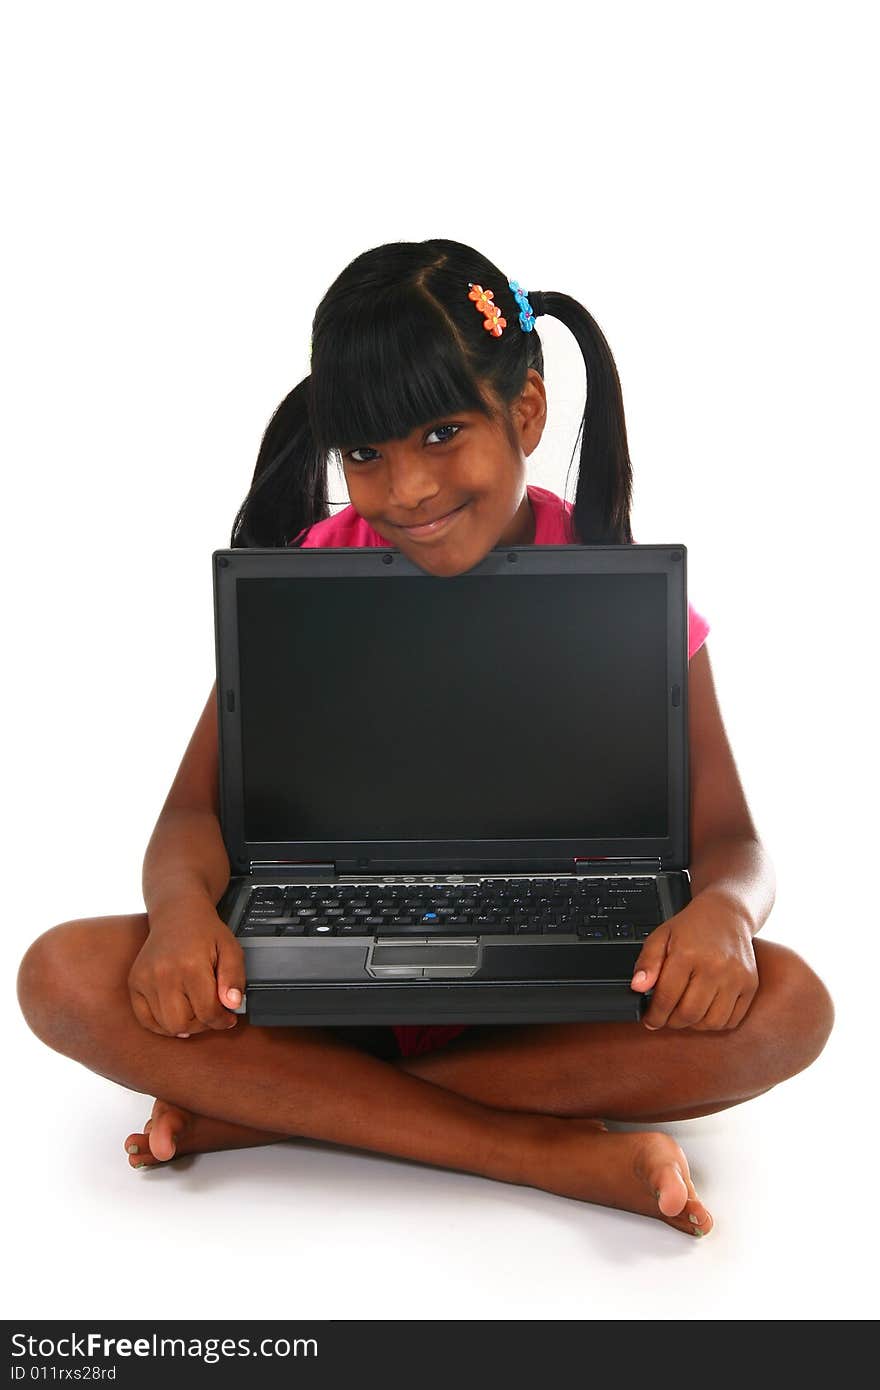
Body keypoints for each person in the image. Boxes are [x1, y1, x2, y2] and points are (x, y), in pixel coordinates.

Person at [16, 238, 834, 1240]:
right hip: (330, 957)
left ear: (524, 412)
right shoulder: (309, 578)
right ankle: (540, 1149)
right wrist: (182, 914)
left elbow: (733, 844)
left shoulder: (624, 597)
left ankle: (280, 1102)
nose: (404, 490)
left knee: (790, 1003)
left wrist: (726, 916)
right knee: (59, 973)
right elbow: (192, 812)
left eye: (441, 432)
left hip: (550, 983)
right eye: (365, 453)